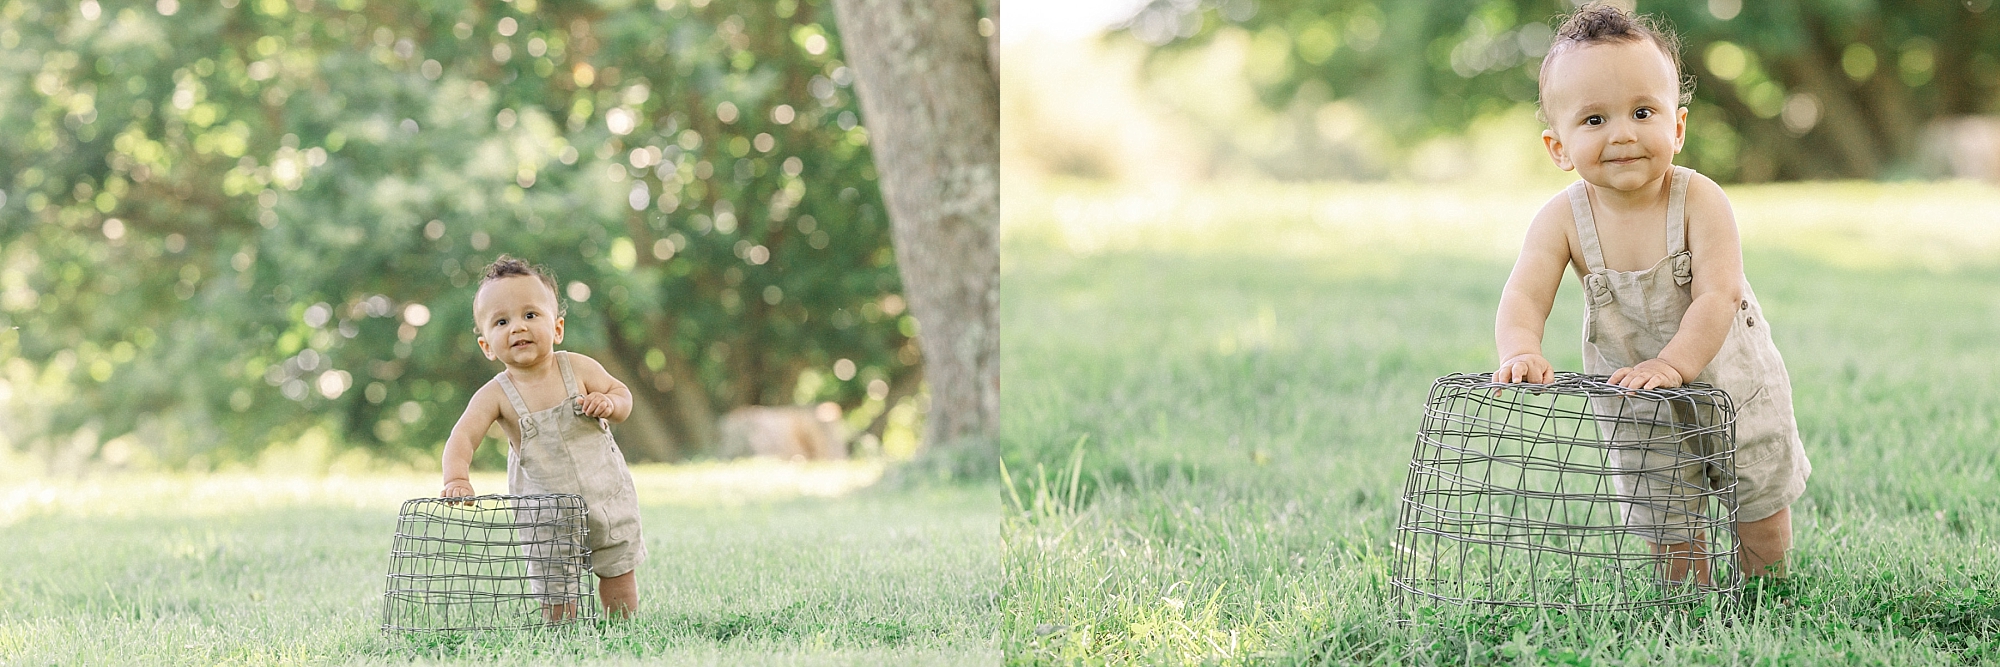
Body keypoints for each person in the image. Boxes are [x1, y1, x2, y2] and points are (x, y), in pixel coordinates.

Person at [1490, 4, 1811, 583]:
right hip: (1635, 397)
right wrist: (1520, 349)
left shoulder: (1700, 201)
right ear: (1557, 146)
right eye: (1593, 120)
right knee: (1666, 515)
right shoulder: (1561, 219)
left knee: (1757, 495)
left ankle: (1766, 594)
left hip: (1730, 381)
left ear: (1678, 128)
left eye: (1642, 112)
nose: (1622, 133)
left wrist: (1673, 363)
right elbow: (1524, 293)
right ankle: (1690, 605)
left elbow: (1718, 296)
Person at [440, 255, 647, 618]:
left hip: (605, 495)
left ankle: (623, 627)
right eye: (501, 321)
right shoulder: (496, 394)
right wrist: (457, 477)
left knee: (617, 568)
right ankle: (563, 637)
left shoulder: (578, 367)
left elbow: (623, 396)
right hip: (545, 513)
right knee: (555, 585)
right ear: (487, 346)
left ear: (557, 328)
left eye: (530, 315)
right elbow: (463, 436)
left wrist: (608, 402)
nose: (518, 327)